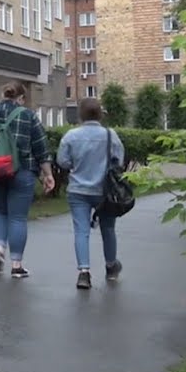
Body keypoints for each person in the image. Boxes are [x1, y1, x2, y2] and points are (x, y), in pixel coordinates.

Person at [0, 82, 55, 279]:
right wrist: (48, 174)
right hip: (22, 171)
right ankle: (17, 265)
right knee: (17, 218)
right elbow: (41, 148)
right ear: (21, 98)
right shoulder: (28, 115)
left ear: (3, 95)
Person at [56, 97, 126, 290]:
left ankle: (84, 272)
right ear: (100, 115)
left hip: (78, 190)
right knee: (108, 229)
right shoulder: (110, 135)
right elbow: (119, 160)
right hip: (105, 191)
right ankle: (111, 266)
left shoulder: (71, 136)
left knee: (81, 231)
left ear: (80, 115)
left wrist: (76, 165)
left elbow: (62, 161)